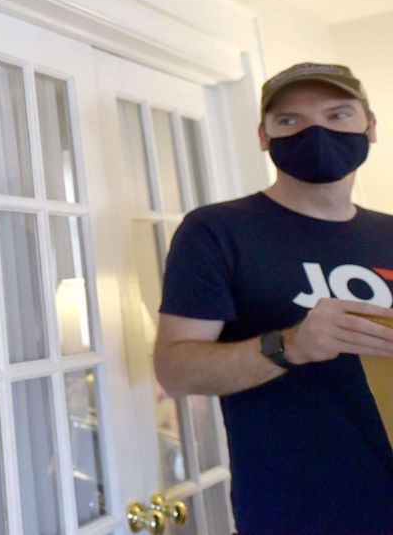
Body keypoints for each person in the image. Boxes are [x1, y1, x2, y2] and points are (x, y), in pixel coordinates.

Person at [153, 62, 393, 535]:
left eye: (337, 114)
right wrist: (291, 345)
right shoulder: (217, 231)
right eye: (290, 121)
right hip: (295, 513)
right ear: (264, 137)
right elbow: (174, 371)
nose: (316, 131)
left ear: (371, 126)